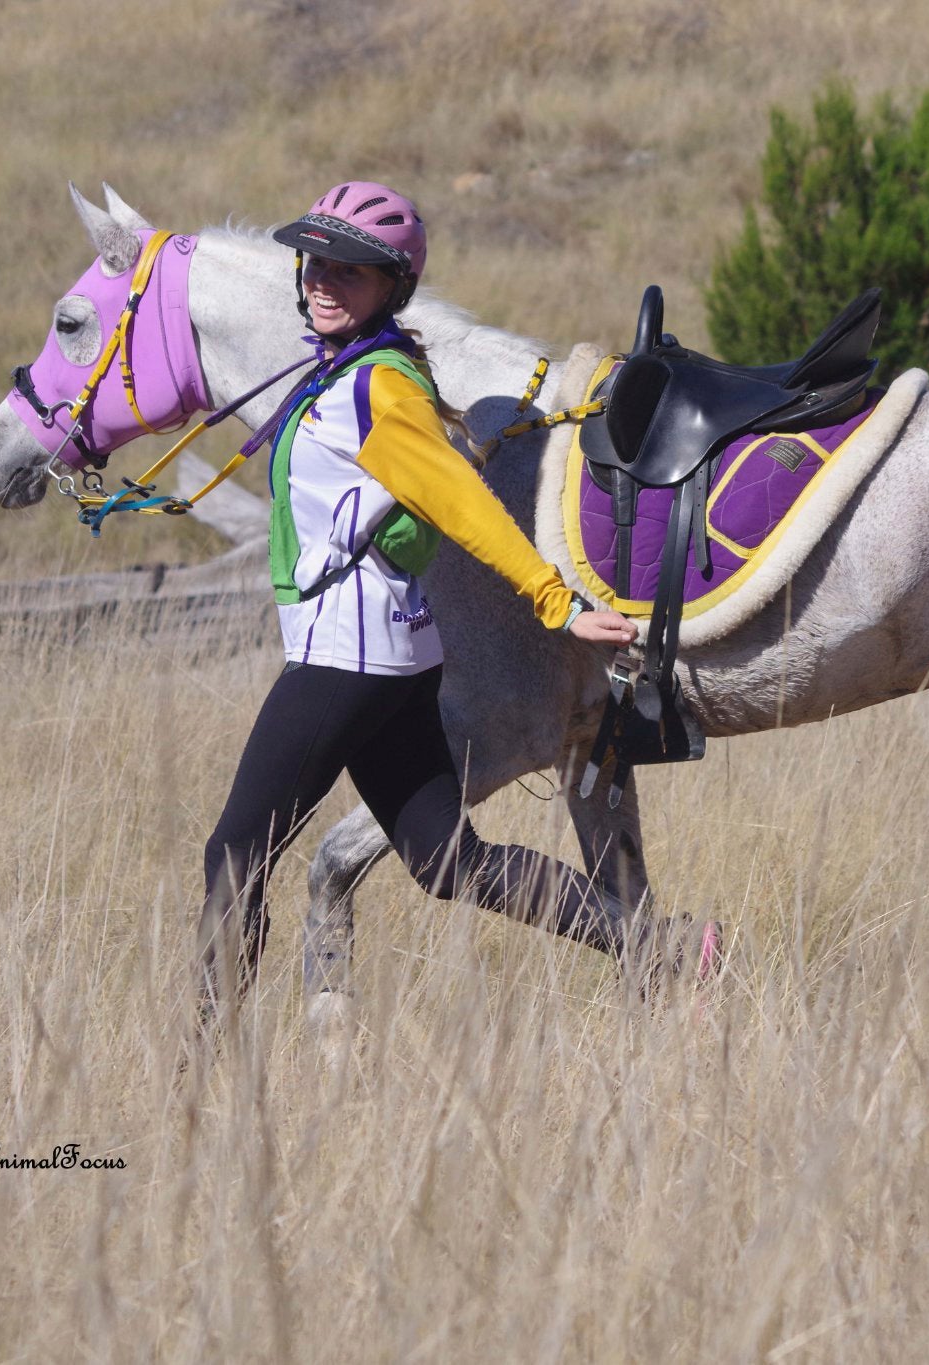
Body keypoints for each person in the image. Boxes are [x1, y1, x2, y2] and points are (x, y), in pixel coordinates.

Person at [197, 180, 720, 1021]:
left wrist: (556, 602)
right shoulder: (352, 371)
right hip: (392, 657)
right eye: (317, 262)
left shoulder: (379, 388)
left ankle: (197, 1068)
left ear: (393, 286)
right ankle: (662, 947)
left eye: (353, 270)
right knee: (448, 859)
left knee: (234, 852)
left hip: (346, 658)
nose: (326, 280)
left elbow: (464, 504)